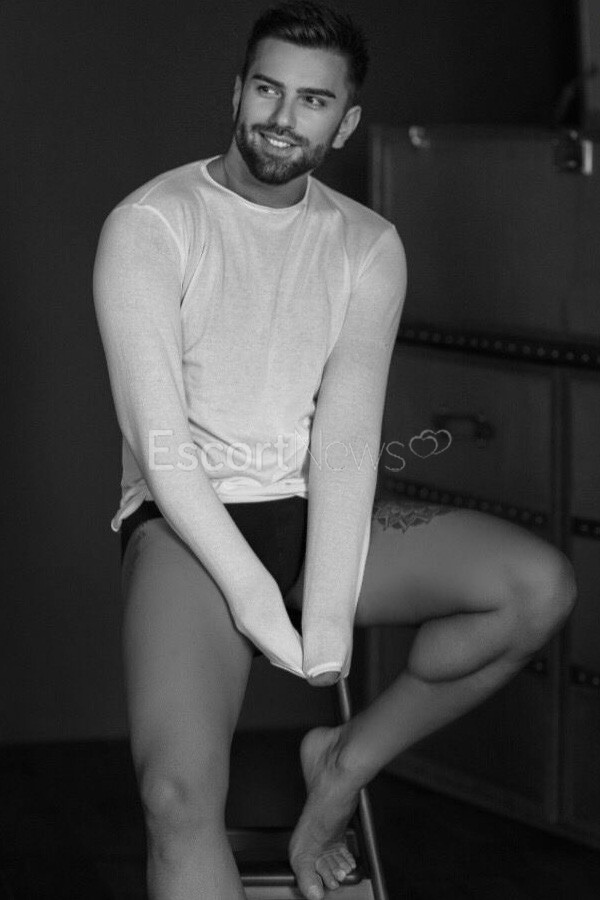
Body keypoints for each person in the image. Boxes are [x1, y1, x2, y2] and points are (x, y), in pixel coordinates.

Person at [92, 2, 578, 898]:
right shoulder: (152, 223)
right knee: (175, 797)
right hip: (186, 529)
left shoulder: (367, 244)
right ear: (237, 93)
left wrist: (322, 621)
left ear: (345, 123)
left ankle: (342, 765)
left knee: (536, 588)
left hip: (314, 512)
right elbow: (161, 445)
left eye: (313, 101)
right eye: (268, 90)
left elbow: (349, 438)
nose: (283, 117)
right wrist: (259, 602)